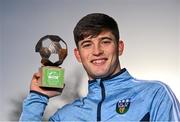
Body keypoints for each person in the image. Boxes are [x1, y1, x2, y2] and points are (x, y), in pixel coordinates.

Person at [20, 13, 180, 121]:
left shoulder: (155, 94)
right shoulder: (67, 116)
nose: (97, 51)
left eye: (105, 41)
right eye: (87, 44)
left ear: (120, 47)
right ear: (78, 55)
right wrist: (37, 97)